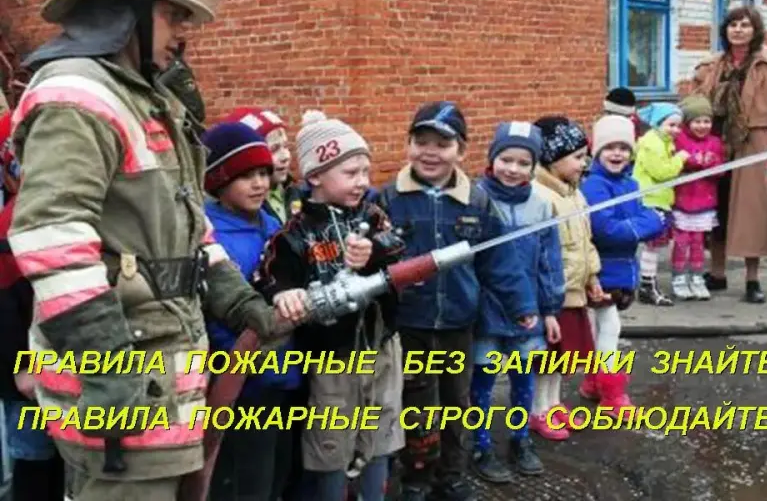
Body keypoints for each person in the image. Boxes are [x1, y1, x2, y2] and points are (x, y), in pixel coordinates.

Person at [7, 0, 305, 501]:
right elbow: (52, 238)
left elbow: (189, 229)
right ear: (127, 11)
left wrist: (239, 302)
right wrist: (107, 365)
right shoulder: (77, 97)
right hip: (123, 384)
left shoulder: (147, 100)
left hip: (162, 374)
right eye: (172, 14)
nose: (183, 33)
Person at [380, 101, 535, 501]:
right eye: (422, 142)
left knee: (455, 404)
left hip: (457, 324)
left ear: (461, 151)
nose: (430, 152)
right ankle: (416, 478)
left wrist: (521, 305)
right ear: (408, 145)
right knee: (417, 407)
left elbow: (500, 260)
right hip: (409, 324)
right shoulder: (388, 200)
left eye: (442, 144)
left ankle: (450, 476)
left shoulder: (477, 203)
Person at [261, 110, 406, 501]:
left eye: (365, 171)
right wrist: (283, 293)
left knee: (380, 435)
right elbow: (271, 275)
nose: (362, 181)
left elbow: (398, 246)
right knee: (331, 446)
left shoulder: (373, 216)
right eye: (351, 172)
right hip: (330, 361)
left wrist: (374, 252)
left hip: (381, 348)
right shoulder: (294, 234)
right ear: (315, 176)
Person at [200, 122, 302, 501]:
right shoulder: (211, 235)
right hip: (240, 379)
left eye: (263, 173)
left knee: (278, 474)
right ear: (219, 181)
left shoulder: (274, 225)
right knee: (244, 480)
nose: (259, 183)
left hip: (284, 372)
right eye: (246, 176)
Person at [471, 121, 564, 482]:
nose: (513, 169)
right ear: (492, 158)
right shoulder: (476, 199)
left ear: (534, 166)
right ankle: (480, 444)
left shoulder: (541, 205)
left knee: (523, 378)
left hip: (528, 313)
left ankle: (520, 438)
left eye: (524, 163)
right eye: (506, 159)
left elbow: (549, 261)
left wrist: (550, 309)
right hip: (485, 310)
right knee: (482, 379)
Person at [693, 6, 767, 304]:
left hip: (755, 143)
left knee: (753, 212)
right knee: (715, 207)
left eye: (744, 25)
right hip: (716, 142)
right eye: (733, 25)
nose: (738, 30)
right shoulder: (713, 65)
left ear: (755, 30)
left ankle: (753, 280)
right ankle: (717, 273)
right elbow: (695, 104)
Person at [580, 115, 665, 418]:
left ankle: (594, 383)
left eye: (624, 148)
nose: (617, 153)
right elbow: (608, 230)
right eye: (609, 147)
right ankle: (612, 394)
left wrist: (646, 221)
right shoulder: (595, 186)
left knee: (598, 327)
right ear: (597, 151)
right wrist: (651, 220)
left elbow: (637, 222)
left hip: (621, 268)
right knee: (609, 327)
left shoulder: (631, 183)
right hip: (600, 271)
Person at [0, 114, 65, 501]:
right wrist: (21, 365)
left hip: (69, 361)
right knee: (34, 458)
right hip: (27, 371)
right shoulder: (12, 223)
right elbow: (5, 304)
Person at [531, 116, 607, 439]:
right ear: (553, 157)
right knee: (547, 358)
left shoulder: (575, 194)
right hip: (552, 293)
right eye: (577, 157)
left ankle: (553, 404)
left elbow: (586, 241)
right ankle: (537, 409)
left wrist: (593, 277)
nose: (583, 164)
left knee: (563, 358)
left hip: (574, 290)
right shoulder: (540, 196)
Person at [632, 102, 688, 306]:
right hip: (651, 200)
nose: (675, 130)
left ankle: (647, 284)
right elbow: (662, 172)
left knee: (652, 247)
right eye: (671, 125)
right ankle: (647, 286)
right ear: (658, 124)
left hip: (657, 199)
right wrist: (680, 159)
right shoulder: (653, 144)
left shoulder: (661, 142)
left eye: (678, 126)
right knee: (651, 247)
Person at [670, 95, 724, 301]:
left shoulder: (715, 142)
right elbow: (677, 162)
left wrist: (711, 163)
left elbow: (720, 169)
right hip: (683, 201)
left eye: (706, 121)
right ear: (687, 122)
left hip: (704, 202)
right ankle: (679, 277)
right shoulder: (680, 139)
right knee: (681, 241)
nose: (702, 126)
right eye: (697, 121)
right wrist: (696, 161)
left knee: (698, 243)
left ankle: (697, 277)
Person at [222, 107, 299, 223]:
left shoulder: (294, 192)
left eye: (286, 146)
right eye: (274, 149)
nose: (285, 156)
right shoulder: (243, 205)